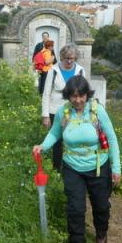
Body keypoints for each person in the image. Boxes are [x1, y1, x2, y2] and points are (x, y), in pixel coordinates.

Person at [33, 75, 121, 243]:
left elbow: (112, 138)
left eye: (81, 96)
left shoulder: (98, 111)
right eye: (73, 96)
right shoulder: (63, 113)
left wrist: (116, 168)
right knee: (75, 208)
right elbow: (55, 133)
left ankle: (101, 231)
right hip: (73, 167)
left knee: (101, 205)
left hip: (98, 166)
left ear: (87, 95)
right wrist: (42, 146)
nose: (78, 100)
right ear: (68, 96)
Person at [41, 43, 85, 171]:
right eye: (67, 58)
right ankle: (57, 169)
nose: (69, 61)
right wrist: (45, 115)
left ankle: (74, 166)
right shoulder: (53, 70)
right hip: (56, 110)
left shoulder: (80, 70)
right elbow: (46, 93)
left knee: (74, 138)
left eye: (72, 58)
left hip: (75, 109)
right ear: (61, 57)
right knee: (58, 140)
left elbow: (84, 92)